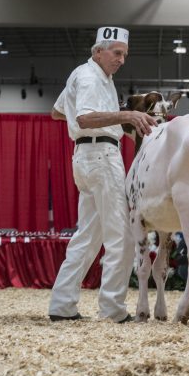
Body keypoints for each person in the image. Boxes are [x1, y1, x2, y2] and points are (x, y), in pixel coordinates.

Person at [48, 26, 157, 323]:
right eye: (116, 53)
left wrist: (104, 119)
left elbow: (58, 112)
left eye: (125, 55)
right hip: (102, 157)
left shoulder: (87, 75)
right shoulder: (90, 77)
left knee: (87, 237)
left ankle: (62, 305)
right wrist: (126, 115)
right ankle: (112, 309)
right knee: (120, 236)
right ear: (98, 52)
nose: (121, 59)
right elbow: (83, 117)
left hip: (85, 158)